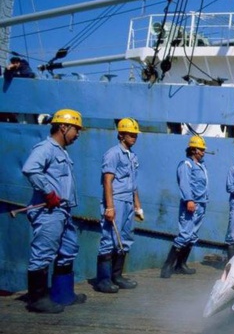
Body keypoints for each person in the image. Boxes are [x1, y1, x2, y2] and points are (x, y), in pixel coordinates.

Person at [21, 109, 87, 313]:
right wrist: (49, 193)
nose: (78, 135)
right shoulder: (46, 148)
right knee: (43, 252)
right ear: (63, 127)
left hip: (63, 211)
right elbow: (30, 168)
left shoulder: (62, 152)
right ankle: (37, 299)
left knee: (69, 249)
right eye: (76, 130)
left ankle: (63, 294)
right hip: (49, 211)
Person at [94, 118, 144, 293]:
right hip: (116, 200)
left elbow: (134, 184)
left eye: (135, 135)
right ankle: (103, 280)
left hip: (128, 201)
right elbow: (108, 181)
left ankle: (117, 275)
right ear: (121, 135)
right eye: (131, 134)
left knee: (125, 238)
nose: (134, 137)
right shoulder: (113, 154)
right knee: (109, 239)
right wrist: (110, 206)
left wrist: (138, 206)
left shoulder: (132, 156)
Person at [160, 135, 209, 278]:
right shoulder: (186, 165)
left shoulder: (201, 165)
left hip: (201, 204)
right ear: (193, 150)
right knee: (185, 234)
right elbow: (185, 183)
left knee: (192, 235)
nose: (203, 152)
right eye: (201, 150)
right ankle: (167, 267)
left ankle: (180, 265)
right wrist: (189, 200)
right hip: (191, 204)